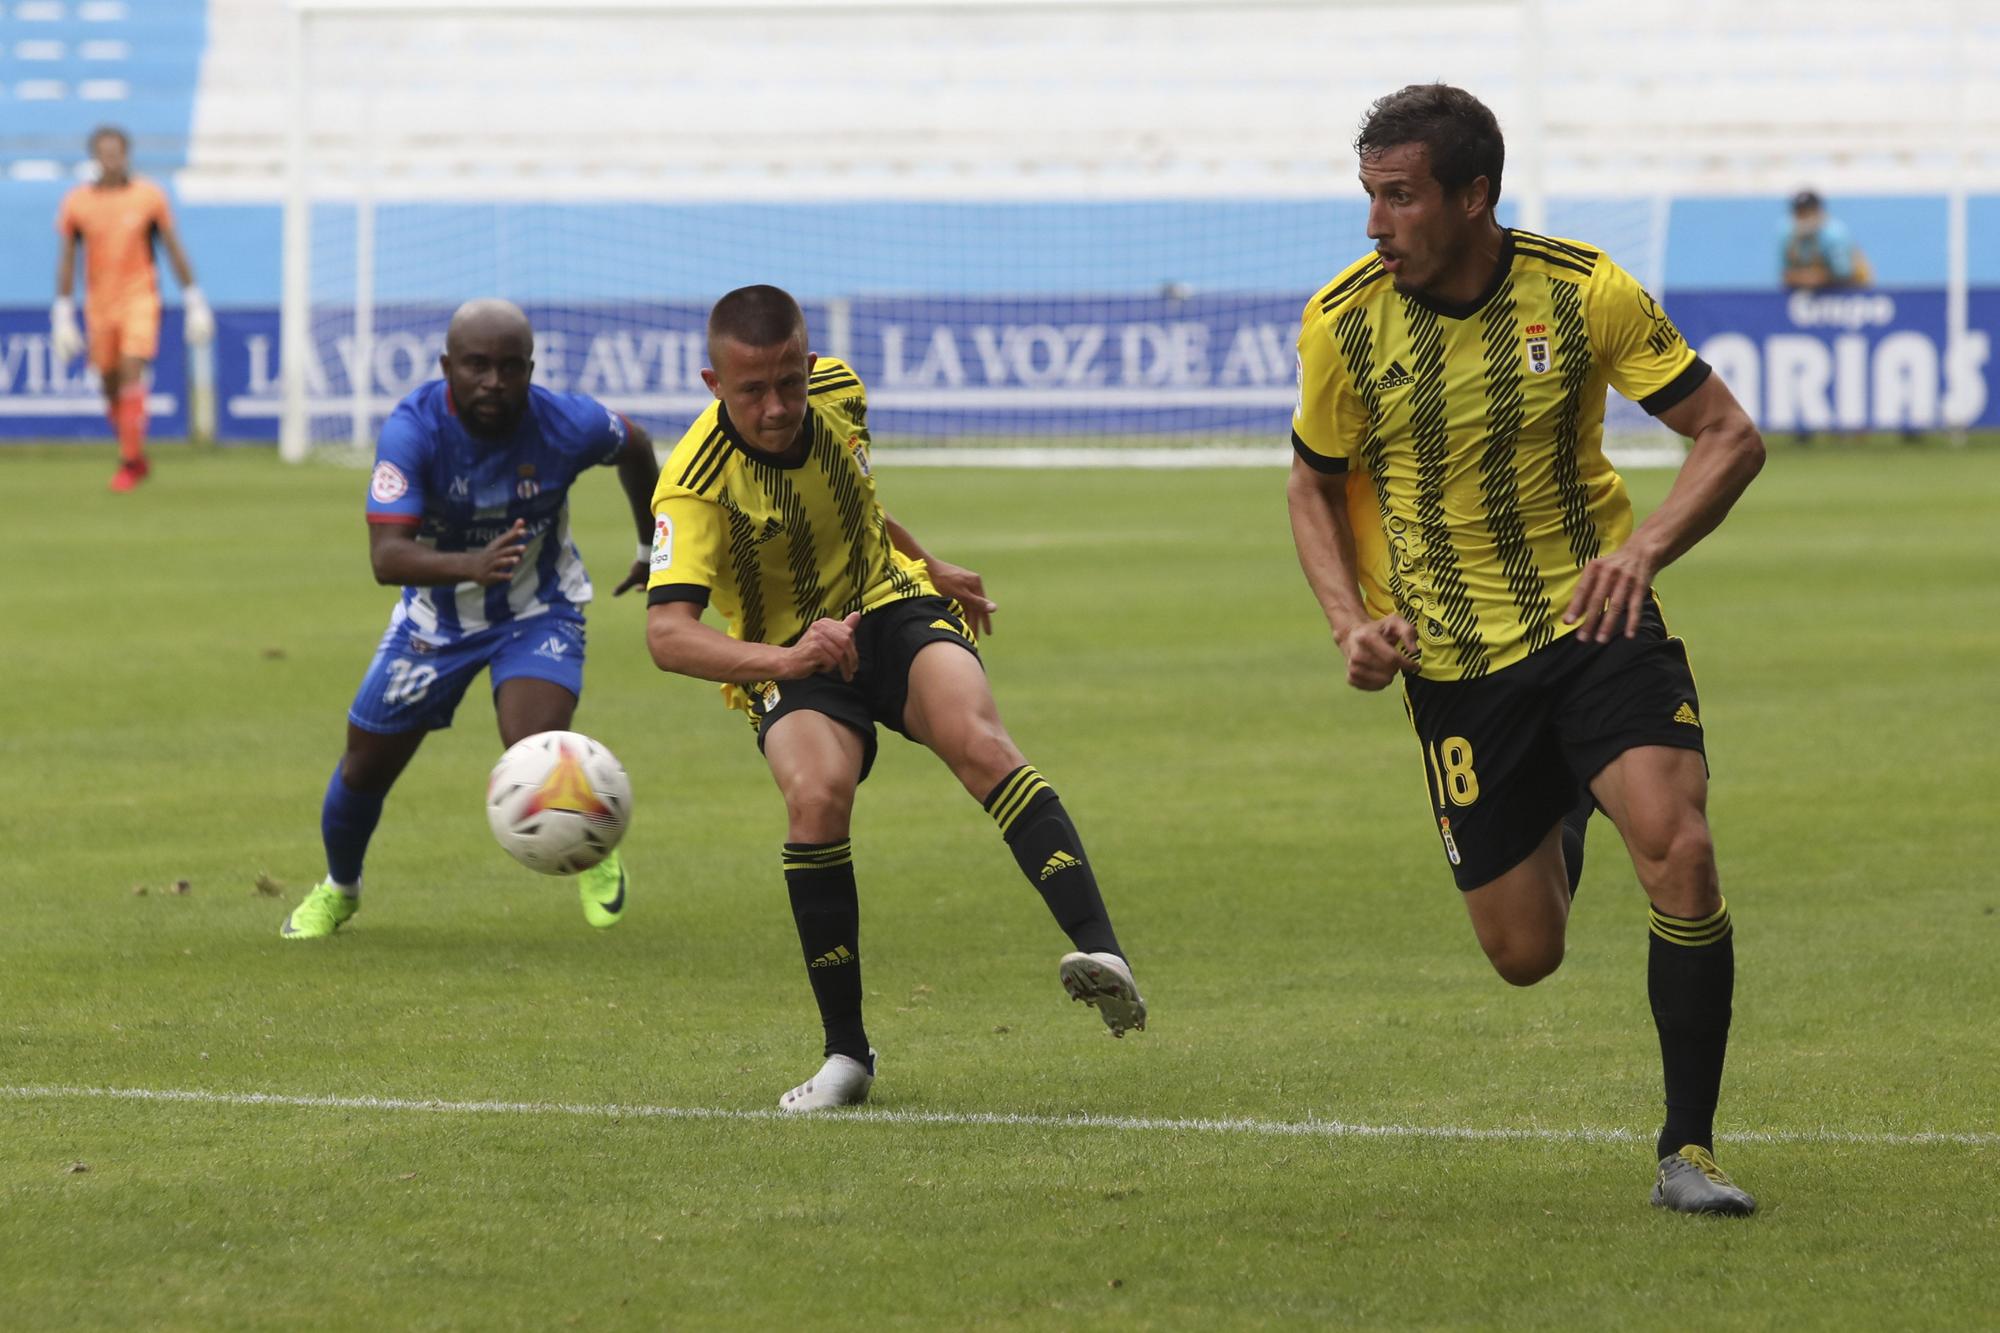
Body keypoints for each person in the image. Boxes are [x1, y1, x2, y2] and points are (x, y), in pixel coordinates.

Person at [1286, 85, 1766, 1215]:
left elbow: (1726, 436)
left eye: (1397, 198)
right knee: (1522, 953)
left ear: (1471, 197)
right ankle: (1560, 805)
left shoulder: (1580, 288)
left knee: (1678, 849)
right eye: (1368, 197)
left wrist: (1641, 551)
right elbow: (1311, 484)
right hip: (1456, 666)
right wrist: (1349, 621)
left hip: (1595, 621)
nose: (1373, 224)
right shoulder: (1342, 321)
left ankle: (1685, 1148)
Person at [645, 285, 1145, 1112]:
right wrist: (787, 655)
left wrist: (932, 563)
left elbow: (857, 500)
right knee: (815, 795)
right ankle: (847, 1054)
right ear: (712, 384)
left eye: (787, 383)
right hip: (791, 651)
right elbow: (667, 634)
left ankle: (1104, 956)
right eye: (750, 391)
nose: (775, 407)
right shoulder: (693, 486)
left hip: (890, 605)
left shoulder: (841, 392)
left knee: (980, 740)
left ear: (809, 366)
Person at [280, 299, 660, 940]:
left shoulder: (566, 423)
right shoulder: (413, 432)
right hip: (434, 623)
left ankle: (590, 840)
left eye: (510, 367)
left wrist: (653, 548)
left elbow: (638, 445)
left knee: (533, 748)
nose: (494, 382)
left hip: (539, 610)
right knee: (364, 767)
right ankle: (341, 890)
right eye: (478, 366)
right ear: (446, 366)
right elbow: (386, 557)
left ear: (530, 369)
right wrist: (470, 564)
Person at [51, 125, 213, 492]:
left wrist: (194, 300)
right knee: (108, 384)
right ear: (95, 157)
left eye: (117, 152)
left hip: (140, 298)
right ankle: (136, 457)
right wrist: (62, 312)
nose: (111, 159)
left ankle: (127, 461)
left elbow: (172, 249)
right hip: (99, 305)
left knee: (130, 369)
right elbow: (67, 259)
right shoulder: (77, 203)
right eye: (104, 153)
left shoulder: (148, 197)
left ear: (126, 155)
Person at [1780, 189, 1871, 291]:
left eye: (1808, 212)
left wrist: (1812, 278)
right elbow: (1785, 274)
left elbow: (1843, 273)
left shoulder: (1834, 233)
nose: (1804, 217)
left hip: (1849, 293)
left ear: (1819, 212)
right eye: (1800, 213)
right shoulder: (1788, 235)